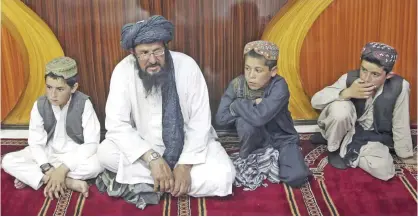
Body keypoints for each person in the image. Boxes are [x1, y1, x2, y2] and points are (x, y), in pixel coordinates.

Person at [96, 15, 236, 209]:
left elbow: (200, 122)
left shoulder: (187, 66)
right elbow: (116, 124)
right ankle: (169, 181)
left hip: (189, 147)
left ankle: (155, 182)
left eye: (157, 51)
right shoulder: (123, 71)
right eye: (144, 53)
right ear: (133, 53)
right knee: (104, 154)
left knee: (224, 174)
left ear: (166, 47)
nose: (152, 60)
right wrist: (152, 159)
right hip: (145, 149)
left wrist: (185, 165)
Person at [310, 42, 417, 180]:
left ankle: (341, 145)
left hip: (374, 136)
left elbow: (400, 121)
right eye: (364, 70)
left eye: (375, 74)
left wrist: (404, 154)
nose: (366, 78)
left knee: (385, 171)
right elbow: (316, 101)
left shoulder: (400, 86)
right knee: (340, 109)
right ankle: (334, 148)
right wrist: (347, 92)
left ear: (388, 75)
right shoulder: (350, 78)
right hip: (348, 129)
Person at [2, 56, 103, 199]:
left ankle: (34, 177)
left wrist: (62, 169)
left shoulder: (84, 103)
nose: (52, 95)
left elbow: (92, 144)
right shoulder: (40, 105)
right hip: (48, 153)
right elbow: (36, 144)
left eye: (60, 89)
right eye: (49, 87)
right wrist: (48, 170)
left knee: (97, 165)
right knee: (8, 160)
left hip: (74, 155)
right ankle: (67, 182)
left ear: (73, 87)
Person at [215, 40, 311, 190]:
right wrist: (247, 104)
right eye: (247, 69)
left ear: (273, 71)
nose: (251, 76)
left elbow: (260, 117)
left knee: (296, 177)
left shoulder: (279, 86)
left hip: (281, 138)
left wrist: (238, 105)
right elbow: (220, 119)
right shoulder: (237, 85)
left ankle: (276, 159)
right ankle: (256, 155)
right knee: (245, 123)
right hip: (254, 140)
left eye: (258, 70)